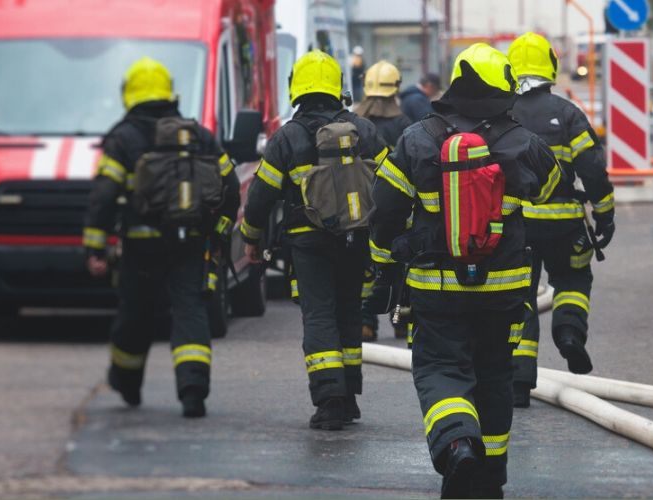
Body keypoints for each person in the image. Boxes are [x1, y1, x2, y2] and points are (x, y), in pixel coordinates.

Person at [370, 43, 561, 498]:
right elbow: (553, 187)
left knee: (440, 369)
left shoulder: (417, 138)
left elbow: (385, 209)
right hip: (505, 290)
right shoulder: (523, 142)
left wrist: (382, 263)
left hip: (437, 288)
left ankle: (458, 447)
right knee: (495, 375)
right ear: (503, 88)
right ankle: (490, 480)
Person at [239, 50, 388, 431]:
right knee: (349, 312)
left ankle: (329, 400)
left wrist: (250, 238)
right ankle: (349, 395)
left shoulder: (288, 137)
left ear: (298, 88)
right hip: (357, 237)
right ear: (337, 87)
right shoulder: (365, 130)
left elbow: (260, 198)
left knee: (319, 314)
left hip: (309, 242)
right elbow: (394, 183)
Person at [83, 57, 240, 418]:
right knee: (190, 310)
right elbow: (230, 186)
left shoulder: (123, 138)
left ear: (131, 94)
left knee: (135, 314)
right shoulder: (197, 135)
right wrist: (217, 232)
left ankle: (127, 383)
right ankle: (193, 390)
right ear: (170, 92)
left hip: (140, 247)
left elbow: (104, 195)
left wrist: (95, 245)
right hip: (191, 243)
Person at [507, 32, 615, 408]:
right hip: (564, 222)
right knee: (571, 278)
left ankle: (519, 382)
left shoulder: (500, 114)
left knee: (518, 296)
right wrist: (605, 214)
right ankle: (569, 332)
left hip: (515, 226)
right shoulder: (567, 113)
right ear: (550, 67)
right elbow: (592, 169)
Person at [354, 60, 413, 342]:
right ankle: (401, 320)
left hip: (357, 207)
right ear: (395, 89)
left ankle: (366, 323)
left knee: (366, 266)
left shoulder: (354, 122)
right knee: (400, 262)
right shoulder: (403, 124)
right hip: (395, 207)